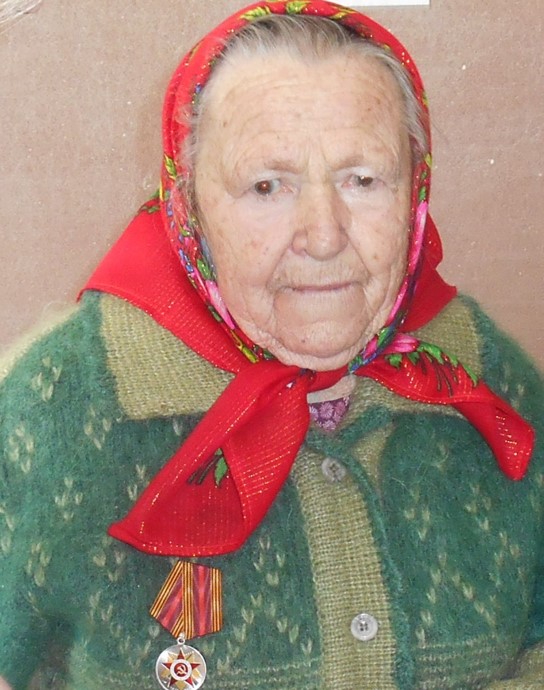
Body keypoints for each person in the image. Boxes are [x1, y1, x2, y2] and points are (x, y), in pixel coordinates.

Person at [1, 1, 543, 688]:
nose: (323, 234)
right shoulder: (56, 404)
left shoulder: (484, 376)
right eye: (266, 186)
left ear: (415, 192)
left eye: (363, 180)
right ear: (188, 203)